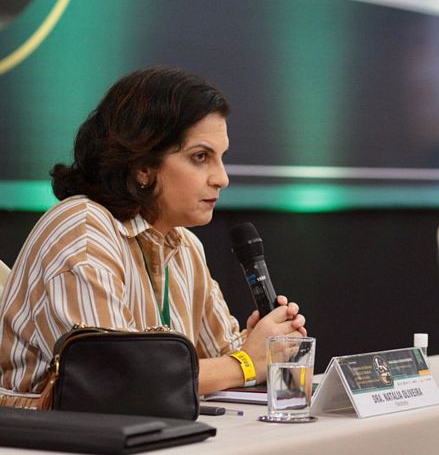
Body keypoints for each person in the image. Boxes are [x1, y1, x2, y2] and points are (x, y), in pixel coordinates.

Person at [0, 66, 307, 408]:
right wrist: (246, 362)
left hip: (142, 429)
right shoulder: (82, 230)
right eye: (200, 157)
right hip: (44, 434)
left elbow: (224, 358)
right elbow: (114, 382)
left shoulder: (184, 246)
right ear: (143, 166)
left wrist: (266, 342)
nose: (222, 178)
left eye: (221, 158)